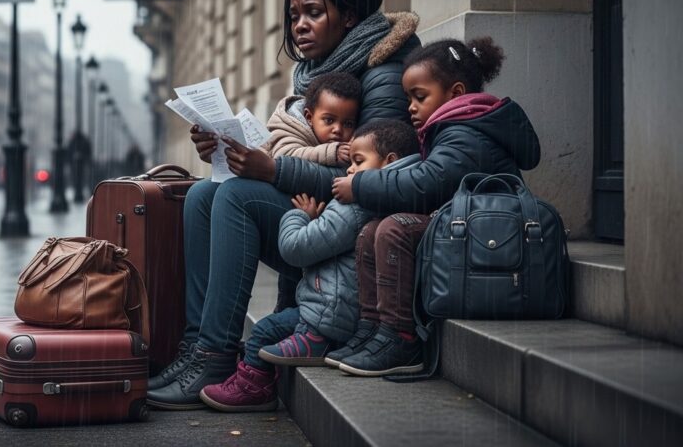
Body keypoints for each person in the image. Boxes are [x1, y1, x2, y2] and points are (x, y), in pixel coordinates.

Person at [146, 0, 421, 410]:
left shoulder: (384, 75)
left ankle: (214, 356)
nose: (299, 26)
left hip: (355, 231)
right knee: (200, 194)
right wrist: (224, 151)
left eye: (313, 12)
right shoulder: (317, 75)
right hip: (319, 213)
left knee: (235, 197)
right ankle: (197, 349)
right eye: (294, 16)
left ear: (349, 16)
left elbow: (371, 178)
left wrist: (272, 170)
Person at [327, 36, 541, 376]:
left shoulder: (466, 132)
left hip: (489, 238)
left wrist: (361, 184)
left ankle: (401, 337)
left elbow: (426, 184)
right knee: (371, 230)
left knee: (394, 228)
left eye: (419, 96)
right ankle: (372, 328)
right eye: (408, 97)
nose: (410, 106)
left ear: (455, 94)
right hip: (466, 226)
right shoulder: (454, 127)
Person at [199, 120, 419, 412]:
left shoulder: (354, 205)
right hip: (337, 310)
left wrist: (298, 216)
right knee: (271, 330)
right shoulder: (386, 199)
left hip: (327, 317)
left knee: (262, 333)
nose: (349, 171)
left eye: (357, 162)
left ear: (389, 162)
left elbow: (295, 249)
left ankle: (253, 388)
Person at [260, 71, 361, 167]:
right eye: (329, 120)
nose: (338, 129)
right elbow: (284, 158)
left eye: (348, 124)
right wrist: (329, 153)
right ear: (309, 117)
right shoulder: (290, 128)